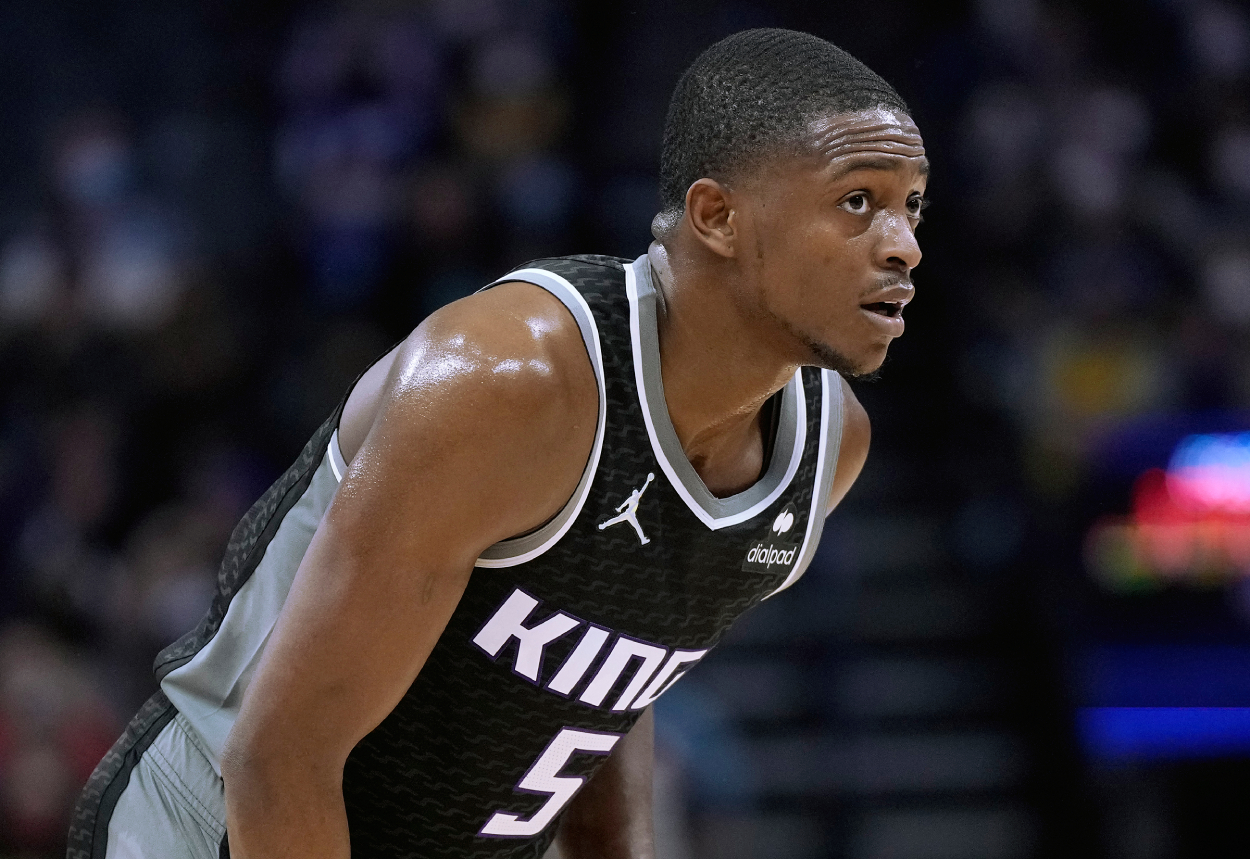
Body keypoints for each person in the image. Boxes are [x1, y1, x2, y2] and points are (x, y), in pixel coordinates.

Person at [68, 27, 927, 859]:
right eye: (858, 202)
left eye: (911, 205)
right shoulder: (510, 380)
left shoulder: (827, 447)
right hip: (216, 826)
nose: (904, 246)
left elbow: (605, 675)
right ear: (717, 215)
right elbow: (277, 758)